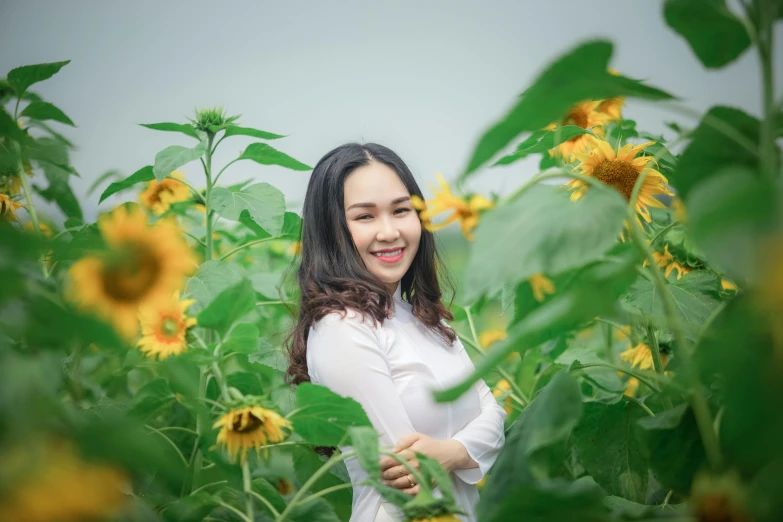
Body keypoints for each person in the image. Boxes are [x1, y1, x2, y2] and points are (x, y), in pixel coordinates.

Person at [284, 143, 506, 522]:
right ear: (331, 229)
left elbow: (495, 415)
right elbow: (405, 474)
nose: (390, 232)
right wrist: (464, 451)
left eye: (401, 210)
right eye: (365, 216)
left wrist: (450, 453)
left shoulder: (426, 319)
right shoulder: (342, 327)